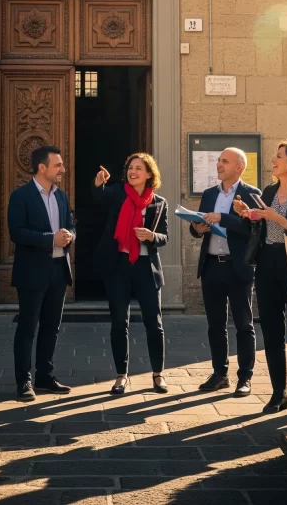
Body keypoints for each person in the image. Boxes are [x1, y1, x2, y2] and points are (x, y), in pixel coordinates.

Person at [234, 141, 287, 413]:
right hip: (268, 262)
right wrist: (248, 215)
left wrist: (277, 218)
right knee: (271, 331)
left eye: (279, 156)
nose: (273, 160)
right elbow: (261, 225)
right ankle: (278, 394)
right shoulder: (269, 191)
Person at [93, 154, 171, 395]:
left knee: (154, 324)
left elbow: (164, 236)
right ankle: (121, 375)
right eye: (130, 168)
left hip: (147, 268)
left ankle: (158, 374)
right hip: (119, 267)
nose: (133, 171)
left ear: (149, 174)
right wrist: (99, 184)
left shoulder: (159, 202)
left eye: (139, 168)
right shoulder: (117, 193)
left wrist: (151, 236)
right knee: (119, 323)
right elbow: (98, 198)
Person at [189, 148, 261, 397]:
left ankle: (245, 378)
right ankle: (220, 374)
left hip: (238, 266)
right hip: (211, 265)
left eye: (224, 161)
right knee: (215, 325)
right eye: (219, 160)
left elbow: (252, 227)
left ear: (239, 167)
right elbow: (197, 227)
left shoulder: (251, 194)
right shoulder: (209, 194)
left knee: (243, 324)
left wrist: (223, 217)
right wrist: (197, 227)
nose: (219, 164)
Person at [7, 145, 75, 401]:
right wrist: (51, 239)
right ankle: (23, 381)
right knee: (27, 327)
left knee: (52, 327)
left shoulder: (61, 196)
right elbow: (17, 233)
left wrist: (70, 236)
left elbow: (69, 225)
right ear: (42, 168)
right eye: (58, 165)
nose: (63, 169)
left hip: (59, 270)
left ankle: (45, 376)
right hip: (32, 272)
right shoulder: (21, 196)